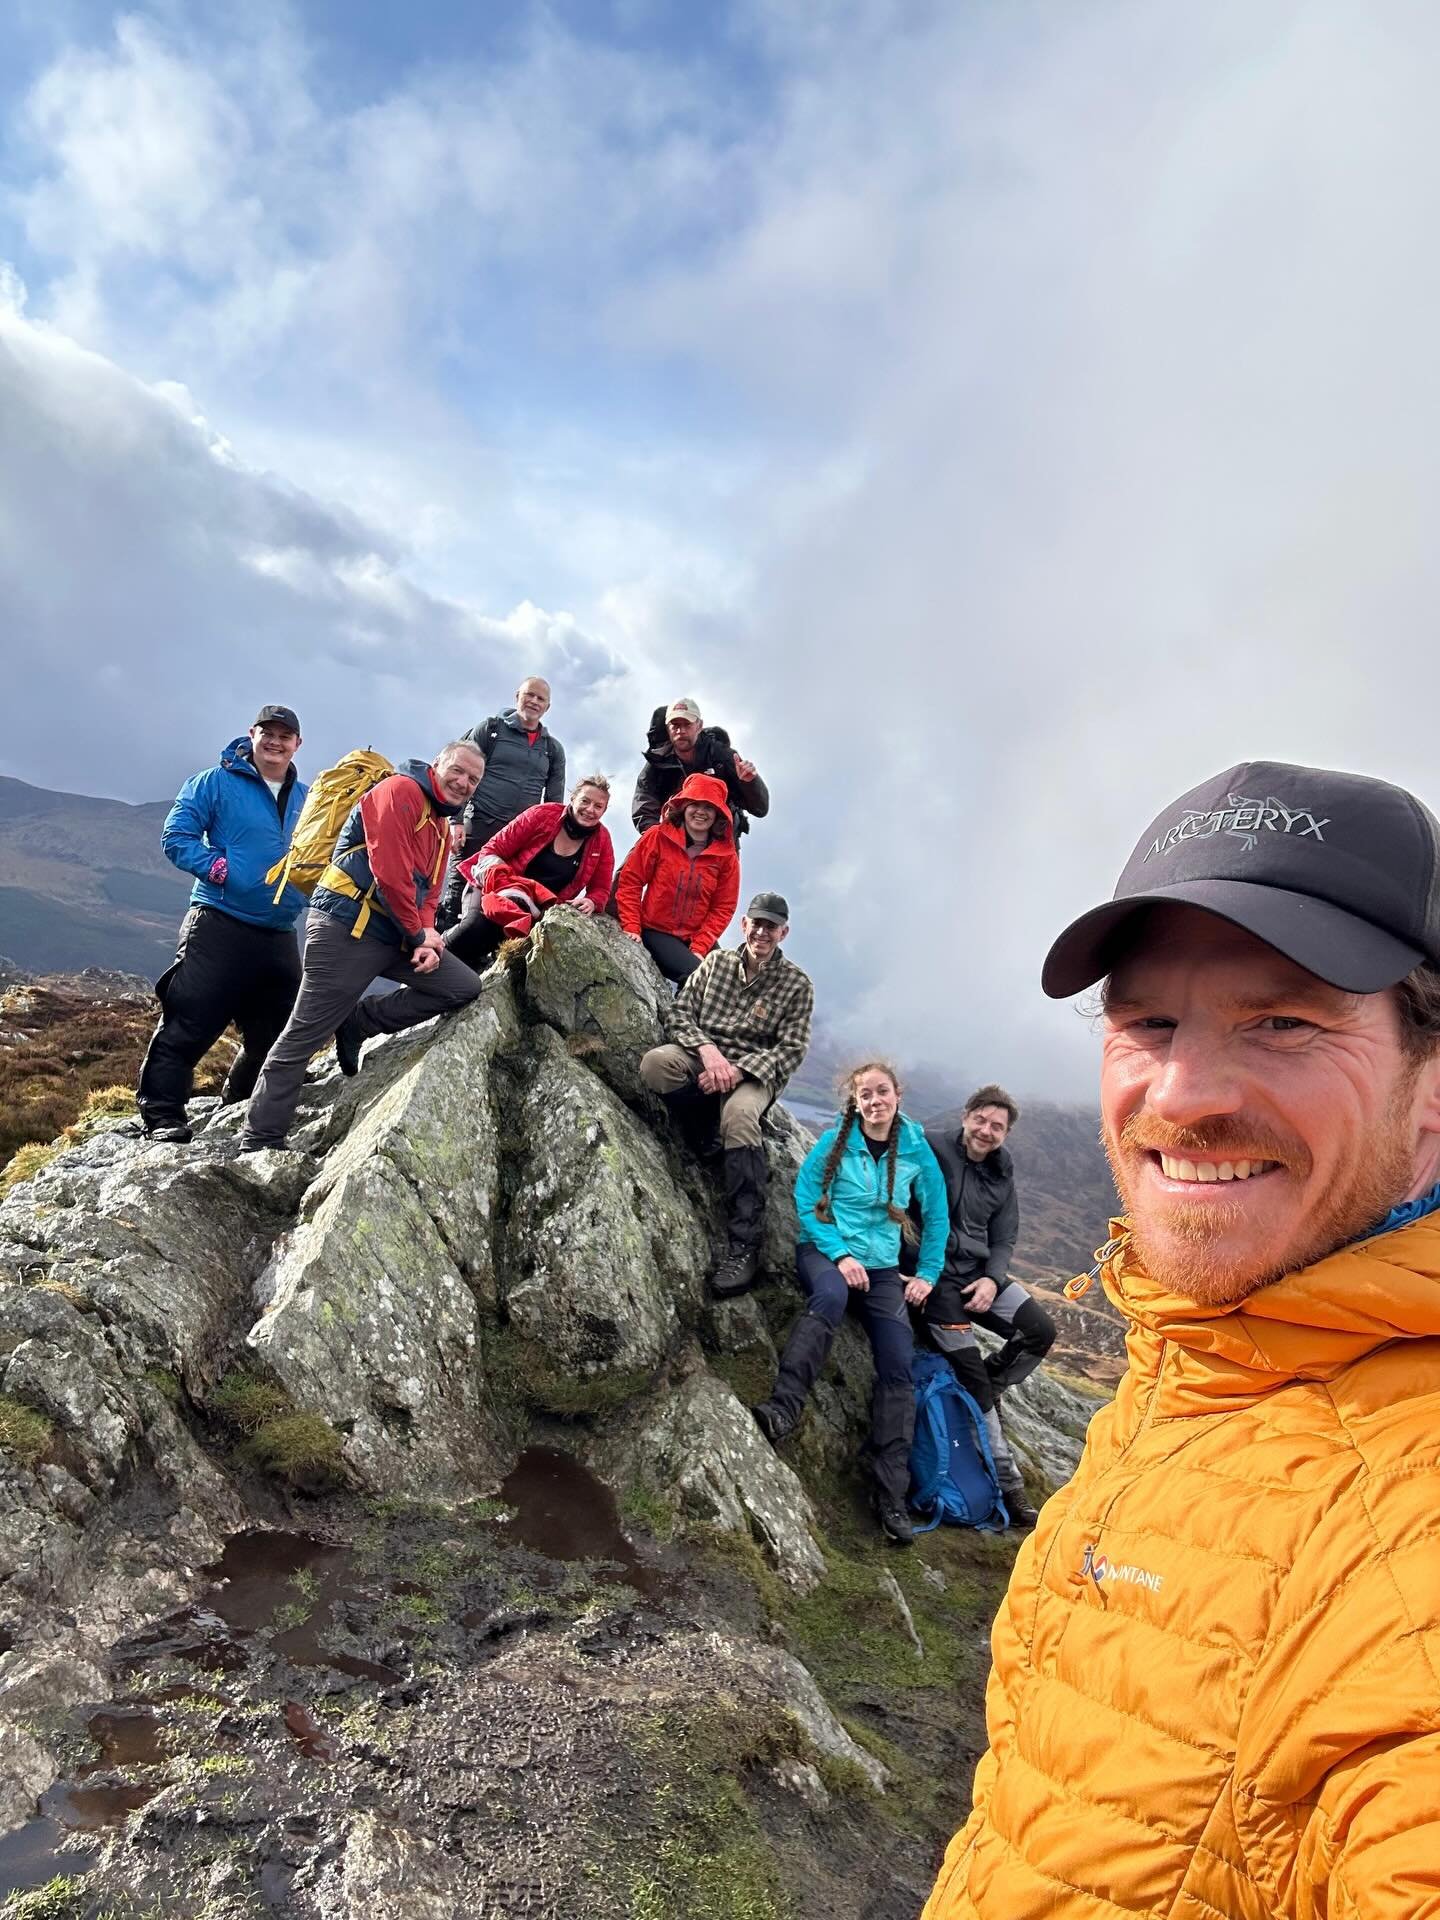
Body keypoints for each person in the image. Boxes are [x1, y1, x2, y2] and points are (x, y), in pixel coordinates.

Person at [924, 759, 1440, 1919]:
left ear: (1433, 1085)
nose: (1182, 1093)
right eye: (1147, 1020)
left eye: (1286, 1022)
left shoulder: (1407, 1523)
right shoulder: (1208, 1361)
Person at [240, 742, 486, 1150]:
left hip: (394, 931)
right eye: (457, 770)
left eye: (473, 779)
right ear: (438, 762)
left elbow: (429, 894)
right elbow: (389, 873)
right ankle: (261, 1136)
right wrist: (416, 935)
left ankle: (359, 1022)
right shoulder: (400, 792)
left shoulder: (441, 826)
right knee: (304, 1032)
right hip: (345, 927)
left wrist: (426, 937)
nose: (463, 782)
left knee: (463, 987)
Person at [752, 1062, 946, 1546]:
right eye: (865, 1094)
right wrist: (838, 1254)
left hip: (881, 1267)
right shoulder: (836, 1141)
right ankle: (782, 1409)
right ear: (855, 1101)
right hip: (825, 1251)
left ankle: (890, 1496)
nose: (874, 1101)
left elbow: (938, 1217)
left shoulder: (917, 1148)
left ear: (898, 1094)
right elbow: (804, 1198)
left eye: (882, 1091)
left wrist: (926, 1274)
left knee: (899, 1364)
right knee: (829, 1298)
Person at [136, 706, 308, 1143]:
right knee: (190, 1021)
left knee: (276, 1034)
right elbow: (176, 837)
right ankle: (162, 1117)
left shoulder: (310, 798)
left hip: (279, 929)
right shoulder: (213, 782)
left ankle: (240, 1102)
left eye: (285, 735)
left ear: (297, 745)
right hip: (218, 921)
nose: (276, 741)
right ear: (251, 734)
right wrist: (220, 870)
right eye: (268, 732)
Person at [640, 892, 813, 1297]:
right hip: (707, 1056)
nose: (762, 932)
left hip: (754, 1073)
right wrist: (708, 1052)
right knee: (655, 1066)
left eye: (771, 926)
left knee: (738, 1116)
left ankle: (744, 1245)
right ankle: (704, 1128)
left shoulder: (797, 985)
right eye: (757, 923)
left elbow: (790, 1050)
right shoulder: (714, 964)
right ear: (744, 925)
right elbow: (679, 1012)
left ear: (783, 932)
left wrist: (736, 1070)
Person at [914, 1084, 1055, 1529]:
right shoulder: (930, 1145)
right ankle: (1010, 1487)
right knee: (969, 1374)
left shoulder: (1001, 1171)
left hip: (976, 1275)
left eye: (997, 1126)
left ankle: (992, 1385)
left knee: (1039, 1330)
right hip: (934, 1282)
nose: (987, 1131)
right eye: (981, 1120)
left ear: (1006, 1134)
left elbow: (1005, 1235)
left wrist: (993, 1281)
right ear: (965, 1115)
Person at [445, 775, 616, 973]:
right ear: (573, 798)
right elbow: (492, 849)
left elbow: (601, 889)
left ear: (604, 811)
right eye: (585, 801)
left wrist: (592, 901)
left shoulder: (602, 841)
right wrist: (503, 882)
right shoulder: (542, 814)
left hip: (535, 911)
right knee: (476, 927)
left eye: (598, 806)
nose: (590, 810)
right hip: (494, 886)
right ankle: (427, 956)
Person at [437, 677, 566, 928]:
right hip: (480, 819)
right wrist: (456, 821)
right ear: (517, 696)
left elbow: (553, 803)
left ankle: (475, 952)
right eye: (529, 695)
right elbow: (462, 772)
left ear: (547, 707)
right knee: (459, 886)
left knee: (501, 891)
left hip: (517, 835)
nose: (534, 702)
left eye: (541, 699)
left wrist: (547, 843)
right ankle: (442, 942)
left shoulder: (553, 749)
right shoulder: (491, 729)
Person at [614, 772, 741, 985]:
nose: (701, 812)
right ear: (683, 807)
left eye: (709, 807)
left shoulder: (727, 857)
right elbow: (631, 881)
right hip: (656, 931)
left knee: (729, 984)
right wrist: (632, 926)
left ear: (718, 814)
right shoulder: (657, 836)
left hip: (695, 936)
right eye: (695, 804)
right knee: (699, 979)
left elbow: (723, 907)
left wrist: (700, 946)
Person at [631, 697, 769, 838]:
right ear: (668, 728)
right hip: (676, 843)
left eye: (687, 724)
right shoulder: (657, 763)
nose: (681, 730)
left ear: (699, 725)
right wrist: (657, 839)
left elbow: (760, 809)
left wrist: (749, 782)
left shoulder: (722, 757)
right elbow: (644, 807)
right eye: (675, 725)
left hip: (720, 845)